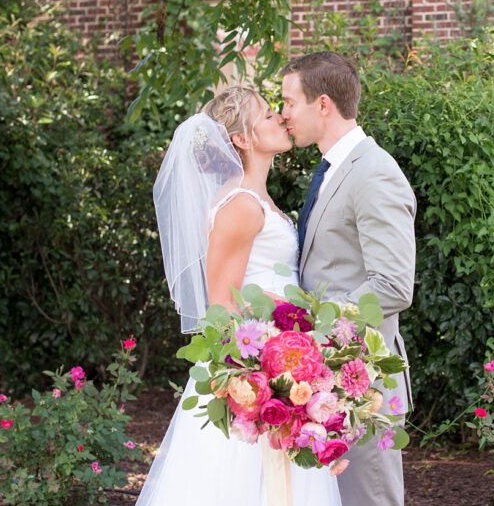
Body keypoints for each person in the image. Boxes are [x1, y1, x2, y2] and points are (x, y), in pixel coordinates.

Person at [138, 84, 342, 506]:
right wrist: (261, 381)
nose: (280, 118)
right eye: (268, 114)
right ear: (242, 139)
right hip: (252, 375)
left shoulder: (259, 200)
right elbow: (221, 304)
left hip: (281, 362)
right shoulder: (241, 206)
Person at [281, 52, 416, 506]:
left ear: (322, 104)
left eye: (288, 103)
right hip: (327, 384)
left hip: (365, 384)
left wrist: (318, 328)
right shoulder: (333, 170)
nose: (283, 116)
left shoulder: (374, 172)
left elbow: (394, 284)